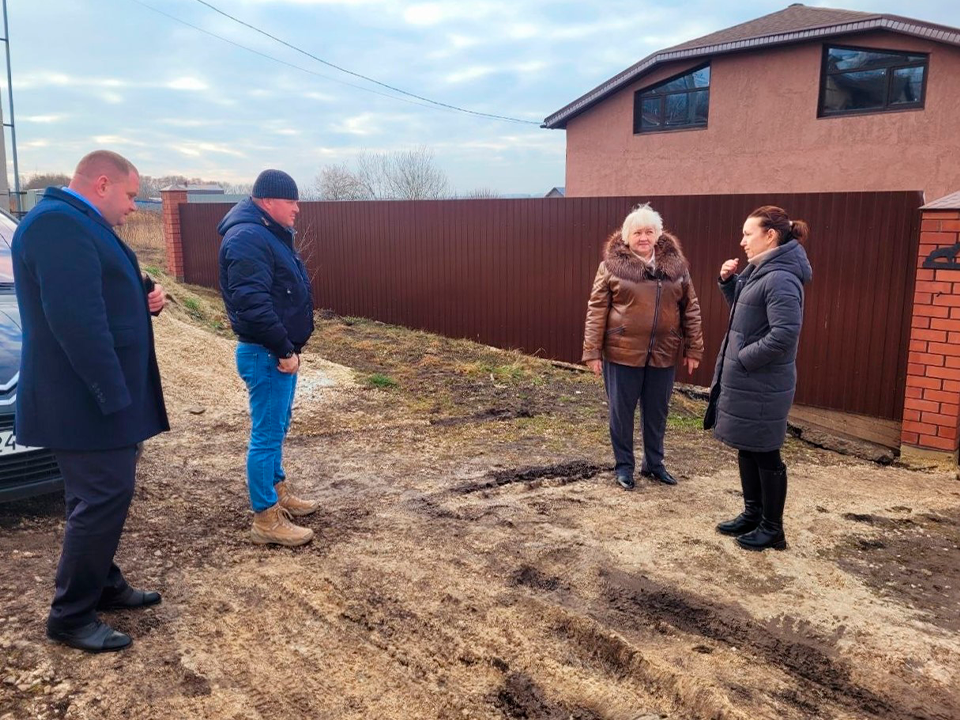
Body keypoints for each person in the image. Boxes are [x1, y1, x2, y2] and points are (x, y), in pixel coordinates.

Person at [12, 150, 169, 653]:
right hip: (82, 400)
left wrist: (145, 291)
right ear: (102, 183)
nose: (134, 207)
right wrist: (112, 396)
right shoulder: (57, 225)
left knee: (96, 498)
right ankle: (71, 616)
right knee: (101, 498)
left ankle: (102, 583)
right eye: (129, 195)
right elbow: (76, 323)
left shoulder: (76, 221)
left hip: (92, 400)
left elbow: (99, 283)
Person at [218, 169, 317, 547]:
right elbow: (252, 304)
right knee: (266, 435)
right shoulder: (248, 238)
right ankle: (266, 517)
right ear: (268, 200)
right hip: (266, 354)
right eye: (291, 200)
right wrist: (284, 349)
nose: (297, 207)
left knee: (277, 427)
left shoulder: (264, 233)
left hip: (274, 352)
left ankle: (277, 492)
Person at [711, 206, 812, 551]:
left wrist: (743, 358)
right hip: (752, 381)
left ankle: (773, 528)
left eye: (748, 234)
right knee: (749, 446)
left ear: (771, 235)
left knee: (766, 452)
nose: (742, 242)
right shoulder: (762, 271)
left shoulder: (781, 277)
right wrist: (728, 284)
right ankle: (753, 513)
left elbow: (784, 334)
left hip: (763, 383)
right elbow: (748, 317)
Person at [583, 203, 704, 490]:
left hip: (663, 353)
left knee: (657, 412)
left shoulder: (677, 269)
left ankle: (654, 464)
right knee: (621, 413)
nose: (643, 237)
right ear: (626, 237)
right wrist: (591, 351)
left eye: (649, 231)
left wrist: (694, 349)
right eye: (637, 232)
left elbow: (691, 309)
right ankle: (624, 467)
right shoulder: (610, 268)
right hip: (622, 353)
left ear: (658, 235)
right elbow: (596, 310)